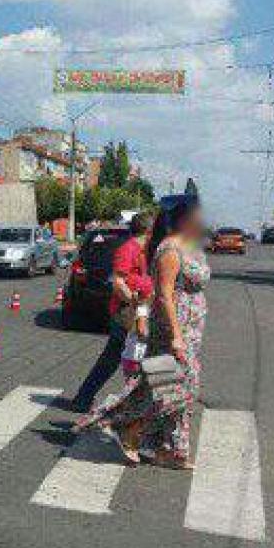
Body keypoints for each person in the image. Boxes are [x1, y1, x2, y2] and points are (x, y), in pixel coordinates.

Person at [74, 192, 211, 469]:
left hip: (191, 332)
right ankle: (128, 426)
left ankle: (169, 449)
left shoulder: (190, 247)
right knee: (176, 389)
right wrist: (175, 335)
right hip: (171, 331)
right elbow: (164, 295)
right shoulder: (169, 249)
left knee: (168, 388)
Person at [70, 209, 157, 412]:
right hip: (128, 312)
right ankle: (89, 400)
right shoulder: (128, 249)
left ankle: (85, 398)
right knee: (124, 359)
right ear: (149, 230)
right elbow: (118, 282)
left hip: (139, 310)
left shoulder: (146, 251)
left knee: (118, 359)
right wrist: (134, 301)